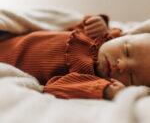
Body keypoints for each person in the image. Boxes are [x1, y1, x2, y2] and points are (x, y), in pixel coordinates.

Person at [0, 14, 148, 100]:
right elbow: (71, 27)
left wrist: (104, 90)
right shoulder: (101, 36)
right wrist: (95, 22)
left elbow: (54, 86)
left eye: (131, 76)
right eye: (127, 51)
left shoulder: (90, 78)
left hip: (5, 59)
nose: (121, 65)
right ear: (125, 36)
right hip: (8, 37)